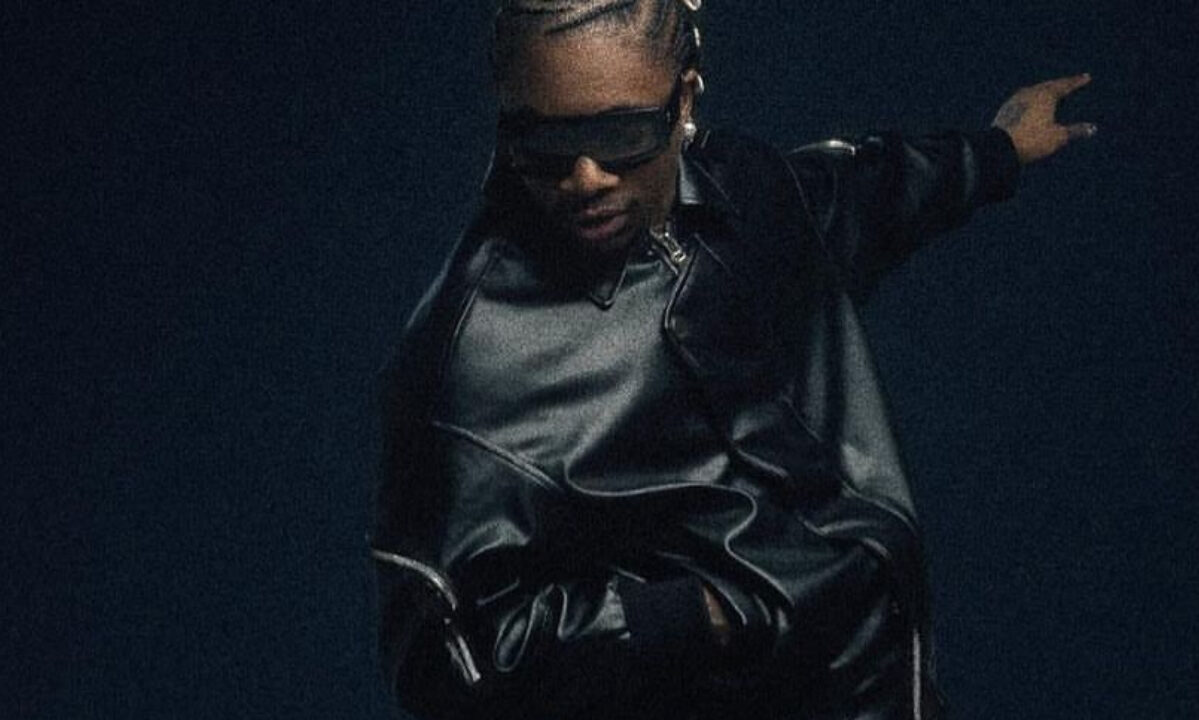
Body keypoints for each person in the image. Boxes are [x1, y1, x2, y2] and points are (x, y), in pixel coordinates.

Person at [371, 1, 1095, 718]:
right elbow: (442, 661)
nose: (586, 176)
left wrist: (1000, 150)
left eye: (622, 134)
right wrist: (693, 617)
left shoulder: (744, 189)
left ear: (684, 99)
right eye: (545, 142)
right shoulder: (471, 360)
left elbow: (865, 193)